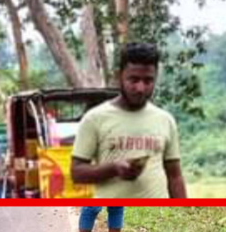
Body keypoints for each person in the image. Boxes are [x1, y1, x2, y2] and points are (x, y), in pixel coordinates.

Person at [71, 42, 187, 198]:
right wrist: (114, 168)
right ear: (120, 76)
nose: (140, 88)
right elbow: (76, 173)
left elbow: (174, 176)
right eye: (134, 80)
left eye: (148, 81)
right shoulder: (94, 118)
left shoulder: (165, 120)